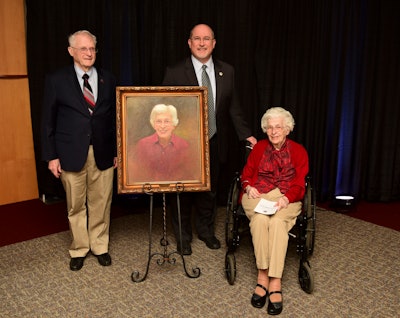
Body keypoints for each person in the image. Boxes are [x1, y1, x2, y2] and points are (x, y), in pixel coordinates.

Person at [162, 23, 257, 255]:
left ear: (214, 43)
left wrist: (246, 134)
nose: (202, 43)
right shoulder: (174, 71)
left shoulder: (227, 71)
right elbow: (164, 108)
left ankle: (205, 232)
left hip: (215, 140)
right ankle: (183, 238)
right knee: (182, 192)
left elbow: (233, 107)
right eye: (197, 39)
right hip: (184, 144)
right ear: (189, 43)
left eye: (207, 39)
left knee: (210, 190)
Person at [41, 30, 117, 271]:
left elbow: (115, 118)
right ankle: (80, 248)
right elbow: (47, 122)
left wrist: (117, 150)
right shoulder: (56, 80)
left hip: (103, 152)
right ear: (71, 51)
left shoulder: (108, 78)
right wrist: (51, 155)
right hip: (70, 153)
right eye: (83, 49)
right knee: (75, 205)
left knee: (101, 202)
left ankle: (99, 246)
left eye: (92, 49)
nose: (89, 53)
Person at [240, 107, 309, 315]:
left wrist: (287, 198)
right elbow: (247, 173)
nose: (273, 131)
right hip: (258, 194)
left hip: (286, 197)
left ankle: (275, 280)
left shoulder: (299, 151)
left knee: (277, 223)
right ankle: (262, 275)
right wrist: (248, 187)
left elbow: (299, 183)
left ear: (287, 129)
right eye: (269, 127)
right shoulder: (259, 148)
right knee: (261, 220)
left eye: (278, 127)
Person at [128, 104, 199, 182]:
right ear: (153, 124)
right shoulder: (142, 145)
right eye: (158, 121)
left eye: (167, 121)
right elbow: (138, 175)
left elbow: (188, 177)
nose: (162, 126)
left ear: (174, 124)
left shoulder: (184, 145)